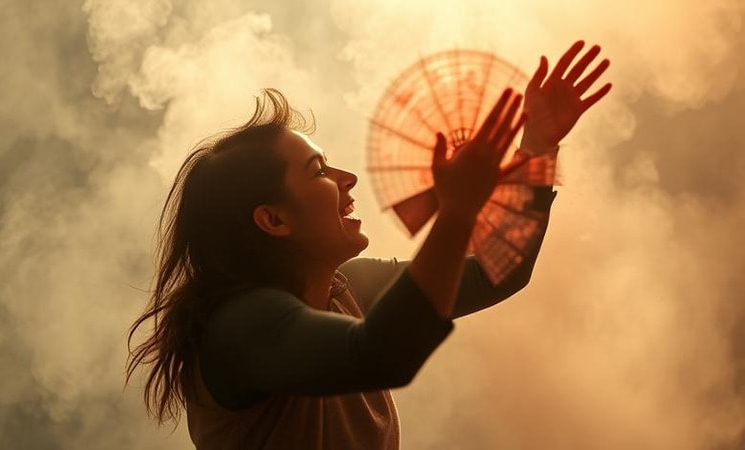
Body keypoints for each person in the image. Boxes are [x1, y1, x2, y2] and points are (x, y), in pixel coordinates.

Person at [125, 40, 611, 449]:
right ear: (273, 219)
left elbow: (498, 271)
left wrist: (537, 147)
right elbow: (380, 354)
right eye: (319, 172)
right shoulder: (240, 327)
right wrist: (459, 212)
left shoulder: (345, 289)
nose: (348, 179)